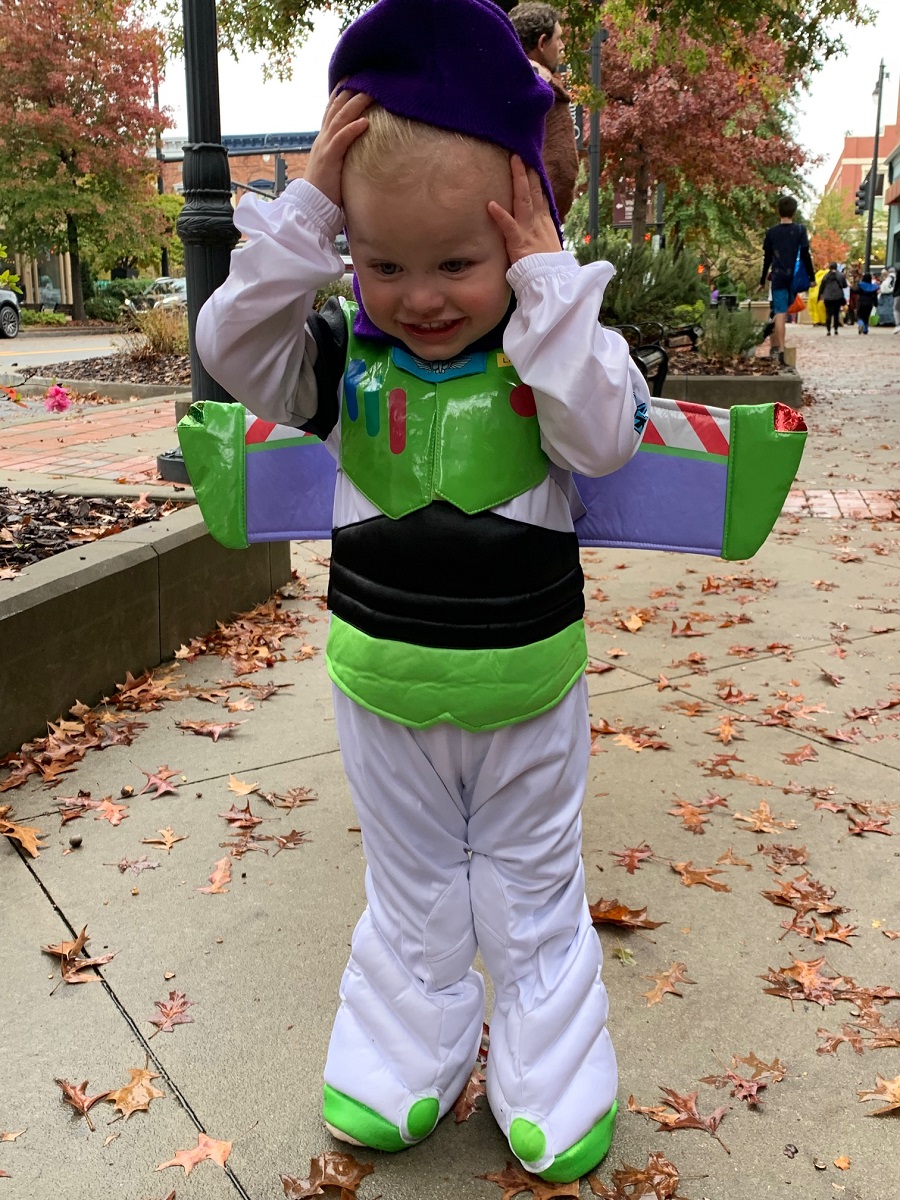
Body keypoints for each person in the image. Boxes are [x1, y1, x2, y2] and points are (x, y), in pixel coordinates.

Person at [195, 0, 650, 1184]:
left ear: (519, 243)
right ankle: (411, 1051)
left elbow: (605, 438)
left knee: (532, 884)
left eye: (460, 261)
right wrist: (303, 215)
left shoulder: (550, 359)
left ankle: (551, 1068)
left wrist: (552, 280)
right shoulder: (340, 359)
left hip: (527, 691)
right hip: (383, 688)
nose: (423, 296)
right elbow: (231, 344)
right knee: (409, 885)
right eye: (384, 263)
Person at [508, 3, 579, 221]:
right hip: (536, 223)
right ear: (541, 43)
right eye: (558, 38)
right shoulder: (548, 93)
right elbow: (562, 171)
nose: (562, 45)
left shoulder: (494, 84)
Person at [758, 195, 814, 361]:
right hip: (794, 278)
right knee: (780, 310)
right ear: (794, 211)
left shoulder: (772, 233)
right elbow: (805, 255)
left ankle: (780, 349)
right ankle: (778, 346)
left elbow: (767, 259)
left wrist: (762, 280)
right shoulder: (800, 230)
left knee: (779, 312)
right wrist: (811, 277)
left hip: (778, 277)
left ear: (778, 211)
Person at [818, 262, 847, 336]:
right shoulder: (841, 275)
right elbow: (845, 286)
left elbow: (822, 286)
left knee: (828, 313)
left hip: (827, 297)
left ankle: (828, 330)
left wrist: (820, 295)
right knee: (836, 313)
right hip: (838, 296)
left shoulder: (826, 276)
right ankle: (836, 329)